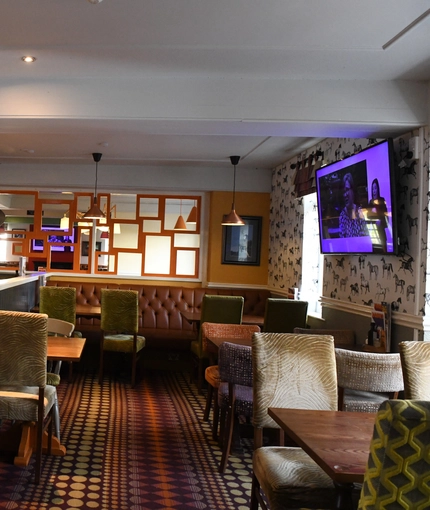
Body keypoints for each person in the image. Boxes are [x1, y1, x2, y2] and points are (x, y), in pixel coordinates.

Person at [339, 172, 368, 237]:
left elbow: (366, 238)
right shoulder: (342, 216)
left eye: (347, 190)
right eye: (343, 192)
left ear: (352, 190)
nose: (345, 195)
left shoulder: (360, 212)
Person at [367, 178, 388, 252]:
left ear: (378, 189)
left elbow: (386, 216)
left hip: (381, 233)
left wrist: (380, 221)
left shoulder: (382, 200)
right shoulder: (370, 202)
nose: (374, 191)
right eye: (373, 189)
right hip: (373, 235)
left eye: (375, 188)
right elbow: (368, 218)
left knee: (384, 252)